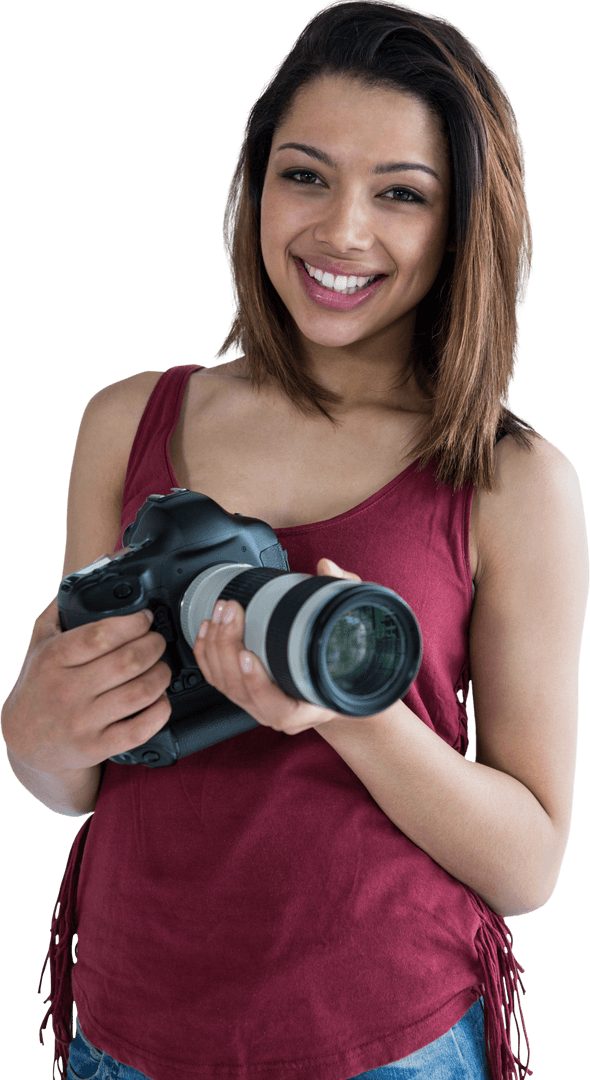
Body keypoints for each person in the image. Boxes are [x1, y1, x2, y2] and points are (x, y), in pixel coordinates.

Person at [1, 2, 588, 1079]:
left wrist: (344, 714)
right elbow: (80, 776)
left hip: (384, 1042)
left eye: (400, 194)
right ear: (253, 184)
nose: (340, 233)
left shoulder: (511, 481)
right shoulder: (123, 421)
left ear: (463, 221)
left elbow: (528, 865)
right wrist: (33, 736)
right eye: (305, 175)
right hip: (124, 1026)